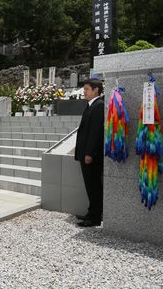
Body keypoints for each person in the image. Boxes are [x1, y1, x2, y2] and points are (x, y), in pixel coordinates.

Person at [74, 78, 104, 227]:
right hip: (85, 153)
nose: (84, 92)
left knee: (94, 186)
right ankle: (91, 212)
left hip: (91, 156)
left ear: (96, 90)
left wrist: (89, 154)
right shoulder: (91, 105)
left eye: (86, 89)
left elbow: (96, 133)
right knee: (90, 185)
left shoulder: (99, 106)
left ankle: (95, 217)